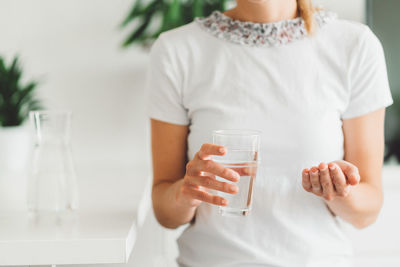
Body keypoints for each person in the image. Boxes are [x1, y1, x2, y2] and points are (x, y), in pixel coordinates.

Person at [147, 0, 393, 266]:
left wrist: (340, 191)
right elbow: (165, 213)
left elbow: (367, 212)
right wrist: (185, 192)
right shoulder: (176, 50)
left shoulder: (354, 46)